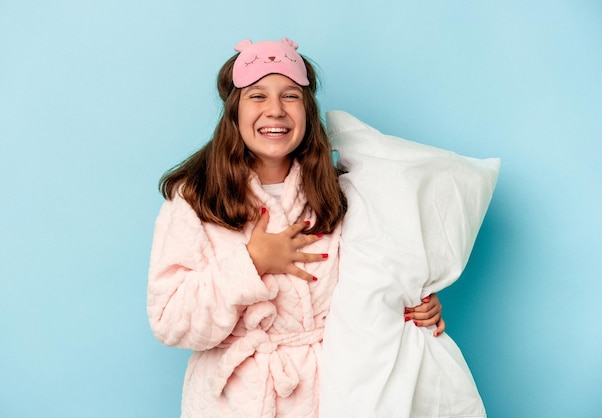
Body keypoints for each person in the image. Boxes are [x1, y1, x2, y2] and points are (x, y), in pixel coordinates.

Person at [147, 37, 445, 418]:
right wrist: (250, 262)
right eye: (257, 96)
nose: (275, 110)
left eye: (290, 96)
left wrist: (415, 305)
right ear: (234, 111)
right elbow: (171, 321)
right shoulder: (195, 199)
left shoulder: (341, 194)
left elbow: (375, 283)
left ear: (307, 109)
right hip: (235, 402)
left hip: (333, 392)